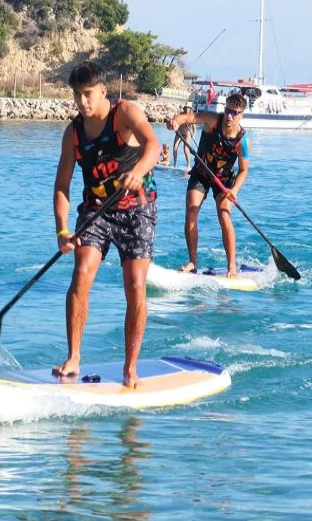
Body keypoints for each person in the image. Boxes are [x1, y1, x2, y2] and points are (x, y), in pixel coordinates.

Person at [53, 61, 160, 387]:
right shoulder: (73, 133)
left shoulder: (124, 113)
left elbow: (153, 146)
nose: (82, 101)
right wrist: (62, 231)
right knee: (81, 274)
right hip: (96, 210)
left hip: (137, 209)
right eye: (77, 95)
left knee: (135, 285)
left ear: (103, 91)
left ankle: (130, 367)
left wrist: (138, 172)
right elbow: (62, 186)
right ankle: (73, 357)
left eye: (88, 94)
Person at [166, 91, 251, 277]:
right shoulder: (212, 120)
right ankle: (192, 262)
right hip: (201, 173)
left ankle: (231, 266)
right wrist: (175, 121)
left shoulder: (243, 141)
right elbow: (189, 117)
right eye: (227, 110)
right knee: (191, 212)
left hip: (224, 180)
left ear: (241, 115)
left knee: (224, 215)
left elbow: (244, 170)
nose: (229, 116)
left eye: (234, 113)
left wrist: (235, 190)